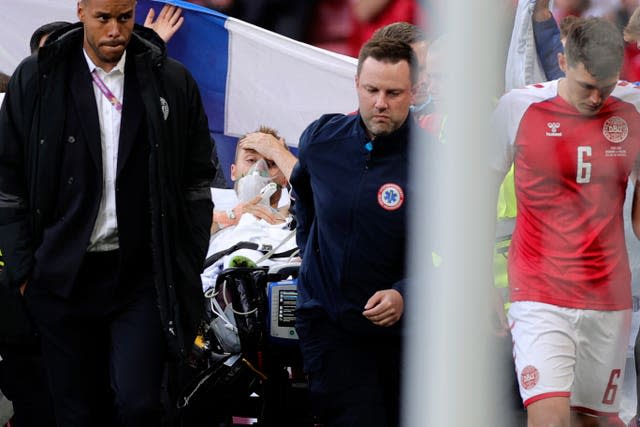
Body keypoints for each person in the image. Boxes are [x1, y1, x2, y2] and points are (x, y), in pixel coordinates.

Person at [0, 0, 215, 425]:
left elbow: (196, 181)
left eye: (125, 17)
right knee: (76, 412)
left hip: (140, 275)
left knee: (139, 404)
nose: (115, 30)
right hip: (60, 275)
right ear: (80, 11)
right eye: (103, 18)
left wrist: (185, 260)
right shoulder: (37, 77)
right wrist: (26, 271)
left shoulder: (169, 80)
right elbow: (8, 178)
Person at [491, 17, 640, 426]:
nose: (595, 99)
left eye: (605, 87)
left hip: (608, 298)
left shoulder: (634, 111)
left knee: (591, 421)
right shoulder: (518, 107)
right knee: (551, 419)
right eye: (585, 87)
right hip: (538, 293)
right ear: (561, 61)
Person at [291, 37, 415, 427]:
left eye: (393, 93)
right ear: (357, 85)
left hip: (399, 337)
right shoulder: (321, 139)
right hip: (328, 324)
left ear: (415, 92)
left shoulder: (435, 163)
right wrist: (313, 265)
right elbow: (304, 200)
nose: (380, 102)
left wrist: (405, 293)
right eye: (371, 90)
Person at [212, 126, 292, 233]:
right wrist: (229, 216)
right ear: (233, 172)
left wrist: (280, 153)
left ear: (285, 179)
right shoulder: (214, 224)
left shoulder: (299, 224)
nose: (259, 169)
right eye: (251, 160)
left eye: (271, 163)